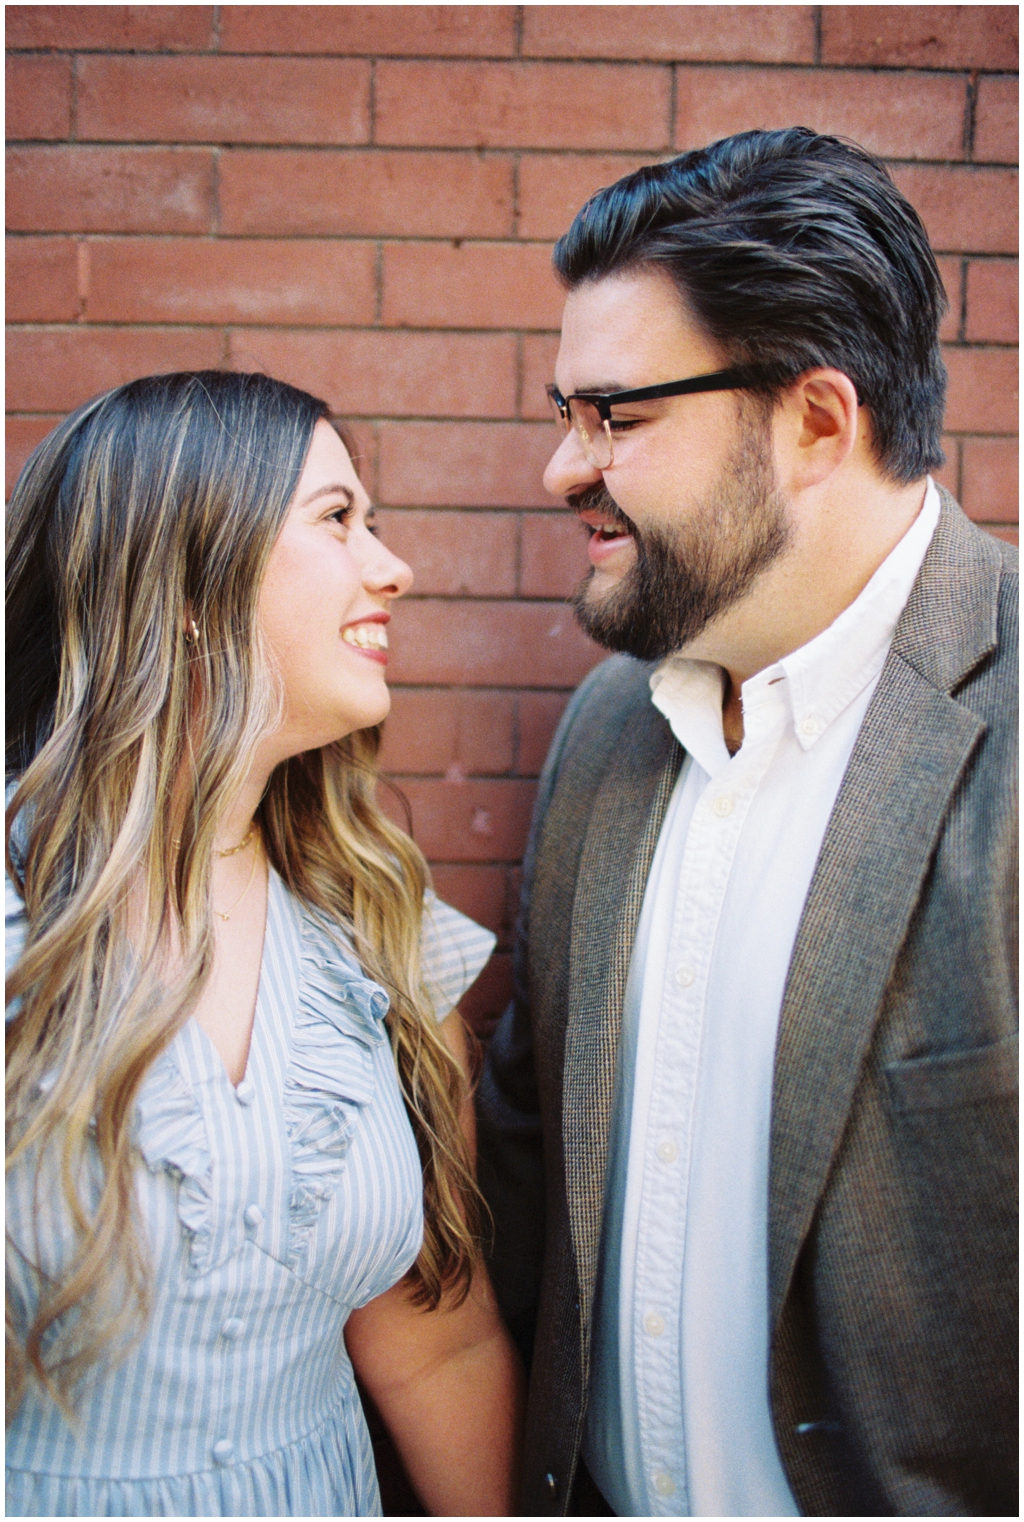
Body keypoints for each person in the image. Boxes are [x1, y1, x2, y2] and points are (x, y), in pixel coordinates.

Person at [477, 128, 1017, 1517]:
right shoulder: (608, 732)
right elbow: (530, 1164)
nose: (560, 467)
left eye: (617, 416)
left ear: (816, 423)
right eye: (565, 411)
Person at [6, 370, 524, 1517]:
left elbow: (438, 1338)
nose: (393, 566)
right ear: (192, 576)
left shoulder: (379, 924)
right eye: (338, 519)